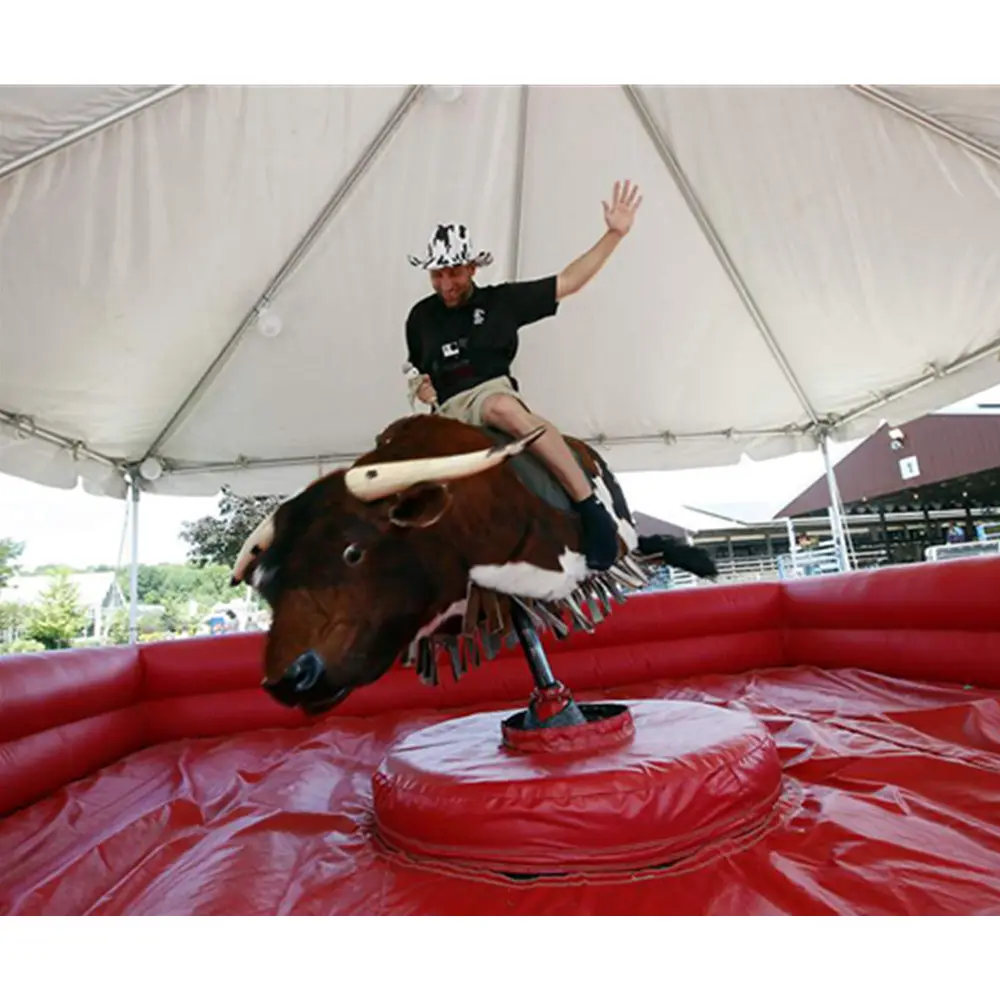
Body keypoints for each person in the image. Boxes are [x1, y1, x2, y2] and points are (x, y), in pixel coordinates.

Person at [403, 179, 643, 570]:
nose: (446, 284)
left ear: (472, 267)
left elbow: (567, 282)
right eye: (437, 276)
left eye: (454, 274)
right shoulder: (420, 317)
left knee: (503, 410)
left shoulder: (501, 301)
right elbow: (415, 367)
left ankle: (590, 507)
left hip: (486, 395)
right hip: (445, 410)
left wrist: (613, 235)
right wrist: (420, 387)